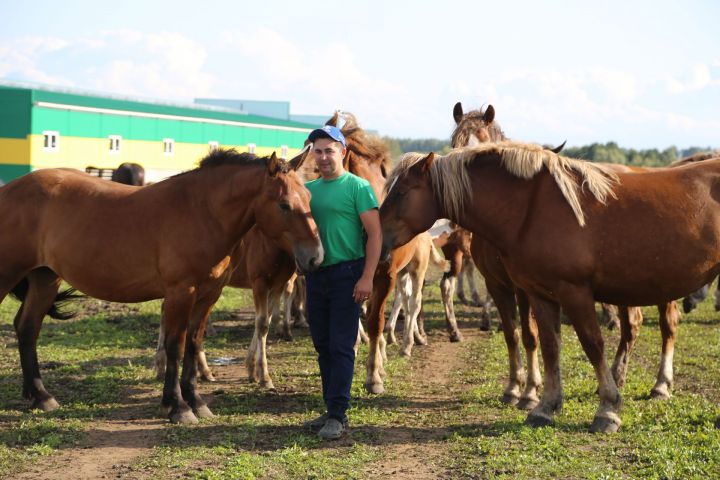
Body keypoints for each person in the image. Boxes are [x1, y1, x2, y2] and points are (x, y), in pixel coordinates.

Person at [302, 125, 382, 440]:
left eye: (329, 150)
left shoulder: (358, 188)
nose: (323, 157)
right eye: (318, 151)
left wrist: (367, 276)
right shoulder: (309, 190)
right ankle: (329, 408)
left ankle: (338, 414)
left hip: (348, 275)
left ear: (343, 152)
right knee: (323, 346)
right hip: (316, 277)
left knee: (340, 345)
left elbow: (375, 235)